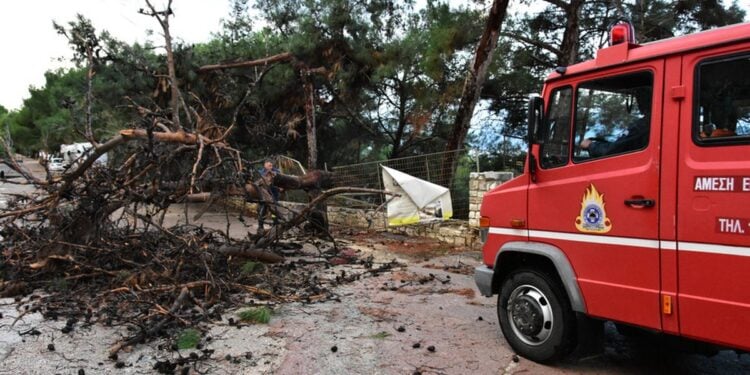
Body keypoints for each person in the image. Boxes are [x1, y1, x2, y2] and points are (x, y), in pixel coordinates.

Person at [580, 90, 651, 158]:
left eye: (639, 101)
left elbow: (612, 150)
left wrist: (590, 145)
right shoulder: (650, 124)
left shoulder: (642, 126)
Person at [257, 159, 280, 229]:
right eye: (269, 165)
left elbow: (277, 176)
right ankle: (260, 226)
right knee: (261, 210)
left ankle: (275, 224)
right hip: (263, 196)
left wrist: (271, 173)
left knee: (274, 211)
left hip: (273, 195)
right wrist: (267, 173)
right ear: (264, 165)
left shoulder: (276, 171)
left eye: (271, 165)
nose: (270, 167)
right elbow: (260, 181)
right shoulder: (260, 172)